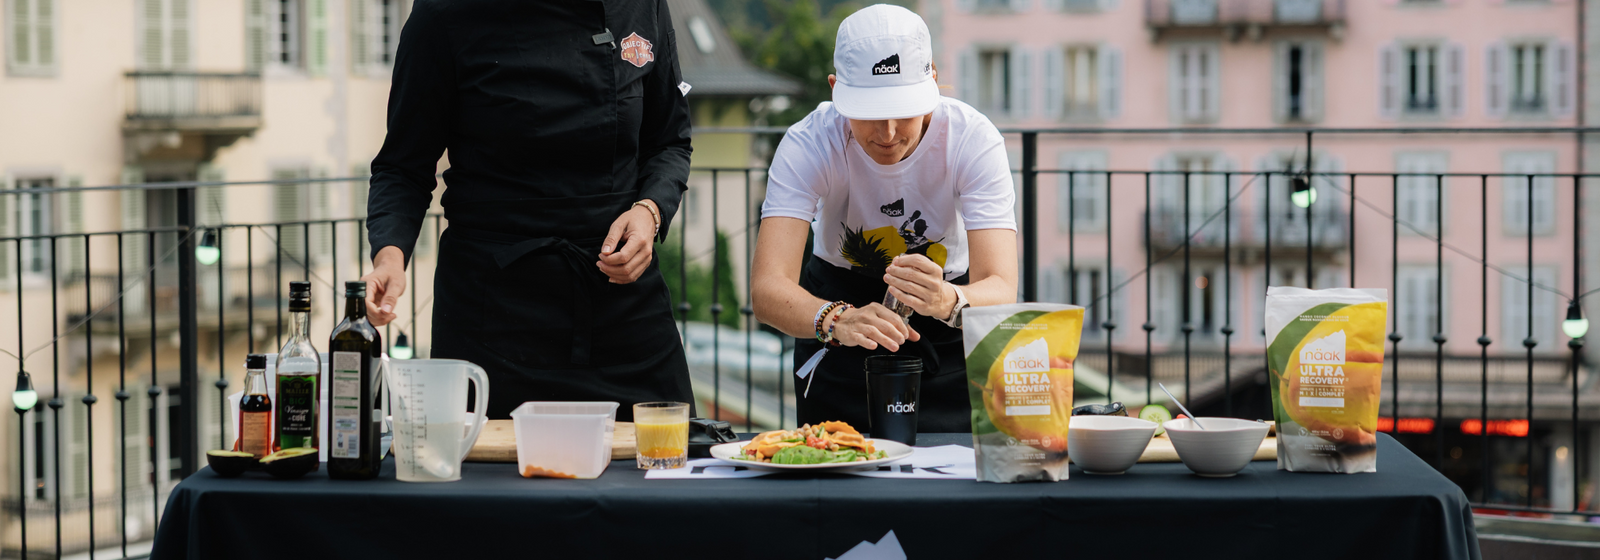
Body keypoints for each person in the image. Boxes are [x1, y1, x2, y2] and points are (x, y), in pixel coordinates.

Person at [360, 0, 695, 420]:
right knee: (489, 479)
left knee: (667, 470)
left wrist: (650, 211)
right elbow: (402, 167)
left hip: (621, 303)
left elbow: (669, 141)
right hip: (493, 313)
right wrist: (390, 255)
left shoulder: (640, 5)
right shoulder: (444, 12)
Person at [751, 4, 1018, 433]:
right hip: (836, 314)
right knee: (836, 484)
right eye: (870, 113)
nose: (889, 133)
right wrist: (838, 320)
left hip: (947, 321)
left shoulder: (972, 138)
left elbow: (1002, 286)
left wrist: (948, 300)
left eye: (905, 110)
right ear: (836, 90)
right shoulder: (809, 142)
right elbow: (767, 289)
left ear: (932, 81)